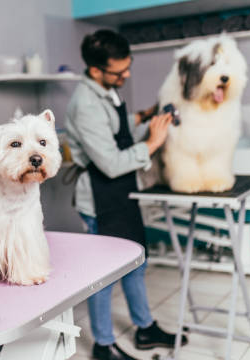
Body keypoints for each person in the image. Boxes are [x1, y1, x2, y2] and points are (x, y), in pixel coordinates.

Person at [65, 29, 187, 360]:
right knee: (103, 276)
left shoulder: (108, 90)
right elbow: (112, 162)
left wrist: (148, 119)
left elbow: (118, 134)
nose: (127, 75)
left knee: (136, 263)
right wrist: (152, 143)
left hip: (123, 192)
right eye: (120, 72)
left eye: (128, 66)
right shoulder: (85, 104)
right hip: (102, 198)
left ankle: (145, 328)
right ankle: (103, 345)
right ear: (95, 71)